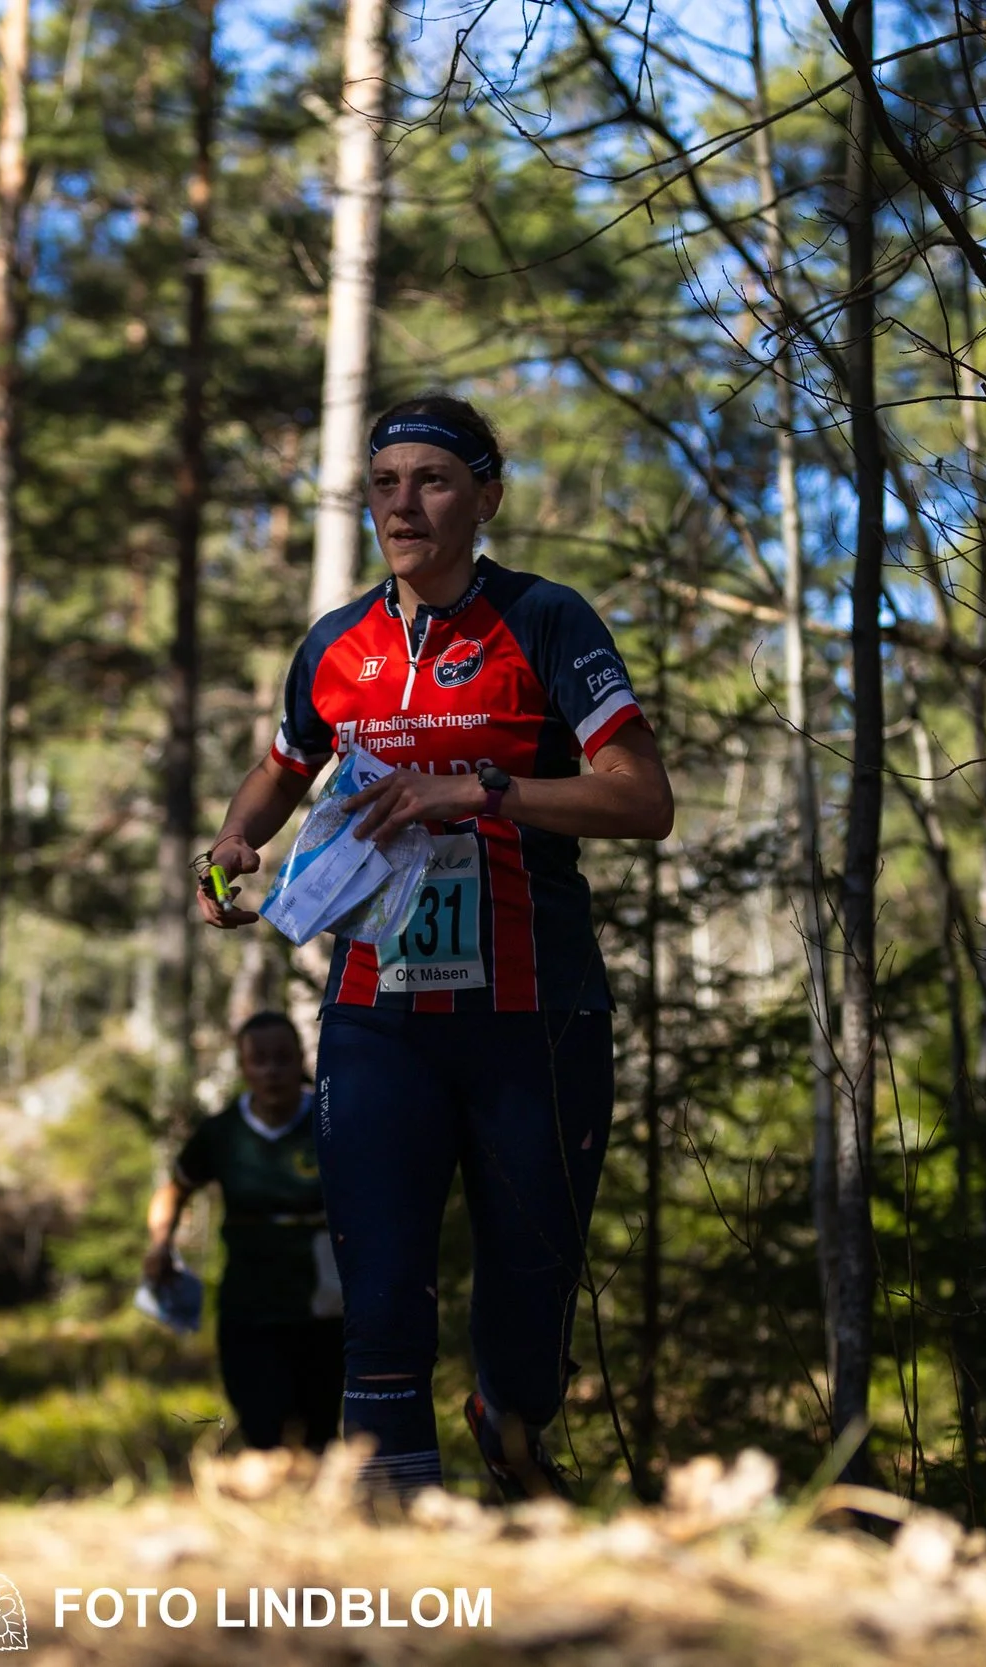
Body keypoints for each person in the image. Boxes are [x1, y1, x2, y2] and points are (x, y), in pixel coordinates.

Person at [194, 394, 673, 1500]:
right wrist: (232, 839)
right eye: (384, 483)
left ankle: (509, 1450)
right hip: (378, 1010)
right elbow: (281, 765)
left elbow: (643, 800)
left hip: (533, 1008)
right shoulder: (336, 642)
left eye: (434, 480)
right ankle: (389, 1518)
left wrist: (488, 788)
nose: (403, 504)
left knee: (529, 1273)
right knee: (380, 1268)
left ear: (487, 496)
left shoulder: (547, 621)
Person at [144, 1011, 344, 1451]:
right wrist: (161, 1244)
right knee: (261, 1420)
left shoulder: (332, 1119)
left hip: (324, 1307)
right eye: (259, 1060)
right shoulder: (221, 1133)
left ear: (300, 1061)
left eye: (282, 1058)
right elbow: (174, 1191)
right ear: (243, 1067)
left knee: (320, 1428)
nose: (272, 1071)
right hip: (248, 1304)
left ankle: (317, 1510)